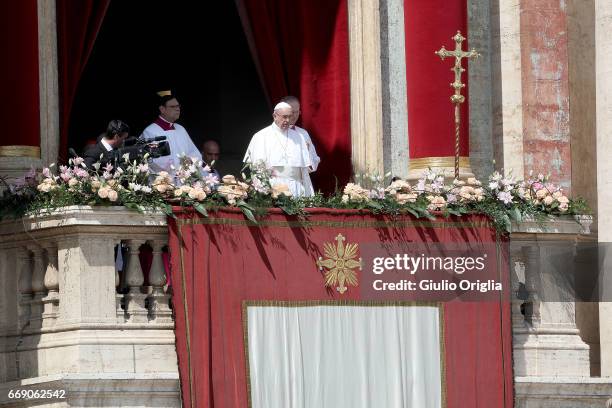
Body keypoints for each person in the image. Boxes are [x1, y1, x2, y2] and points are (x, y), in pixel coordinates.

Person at [244, 101, 320, 197]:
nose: (288, 120)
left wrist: (307, 156)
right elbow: (257, 167)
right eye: (284, 117)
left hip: (297, 186)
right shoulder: (261, 136)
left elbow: (310, 164)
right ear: (275, 116)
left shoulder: (300, 136)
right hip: (274, 187)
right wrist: (264, 191)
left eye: (290, 116)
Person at [141, 90, 201, 176]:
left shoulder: (181, 129)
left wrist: (190, 160)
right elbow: (152, 161)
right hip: (165, 181)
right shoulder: (150, 131)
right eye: (173, 106)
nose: (178, 109)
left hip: (184, 179)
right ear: (162, 109)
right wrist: (179, 164)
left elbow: (194, 152)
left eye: (178, 106)